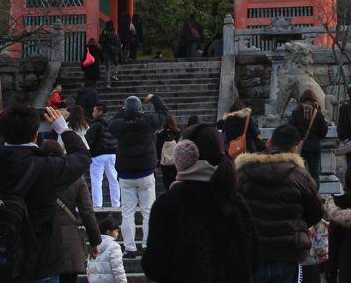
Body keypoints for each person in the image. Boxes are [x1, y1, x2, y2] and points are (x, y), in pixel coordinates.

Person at [0, 104, 91, 283]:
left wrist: (8, 134)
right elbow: (82, 157)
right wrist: (64, 130)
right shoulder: (47, 167)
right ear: (35, 134)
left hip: (1, 254)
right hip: (42, 257)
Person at [142, 123, 260, 283]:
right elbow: (254, 261)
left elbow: (155, 266)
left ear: (182, 157)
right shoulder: (235, 201)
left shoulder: (168, 203)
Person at [236, 124, 322, 283]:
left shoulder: (243, 173)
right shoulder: (300, 176)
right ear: (295, 149)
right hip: (288, 251)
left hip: (253, 252)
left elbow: (233, 210)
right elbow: (316, 211)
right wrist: (296, 224)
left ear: (269, 143)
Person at [110, 94, 168, 256]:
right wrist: (156, 99)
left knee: (127, 212)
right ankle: (147, 245)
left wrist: (124, 111)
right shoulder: (147, 122)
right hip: (146, 172)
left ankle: (129, 248)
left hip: (126, 173)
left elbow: (111, 123)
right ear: (140, 110)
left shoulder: (119, 125)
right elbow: (164, 114)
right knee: (148, 211)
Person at [39, 141, 101, 283]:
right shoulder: (75, 177)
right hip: (69, 241)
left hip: (43, 238)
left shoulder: (35, 173)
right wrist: (94, 241)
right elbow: (87, 212)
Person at [287, 89, 329, 180]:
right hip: (314, 147)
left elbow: (290, 129)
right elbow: (324, 131)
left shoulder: (296, 112)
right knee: (314, 174)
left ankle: (302, 192)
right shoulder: (318, 113)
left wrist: (297, 140)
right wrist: (316, 138)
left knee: (299, 172)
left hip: (300, 147)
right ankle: (314, 192)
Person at [85, 103, 119, 208]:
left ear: (100, 112)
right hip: (112, 153)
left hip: (98, 154)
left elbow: (89, 139)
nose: (92, 112)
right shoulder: (113, 123)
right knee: (114, 180)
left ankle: (98, 204)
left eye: (94, 110)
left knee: (96, 180)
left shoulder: (96, 124)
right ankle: (116, 204)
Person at [88, 219, 128, 283]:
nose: (117, 234)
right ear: (108, 232)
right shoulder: (114, 246)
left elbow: (89, 267)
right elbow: (118, 269)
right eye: (116, 231)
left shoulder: (94, 245)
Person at [156, 115, 182, 192]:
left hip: (165, 162)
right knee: (175, 180)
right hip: (176, 162)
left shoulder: (161, 134)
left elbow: (158, 148)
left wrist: (157, 164)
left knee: (166, 180)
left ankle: (168, 194)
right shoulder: (178, 133)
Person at [100, 21, 122, 87]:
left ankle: (108, 83)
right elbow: (119, 47)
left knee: (107, 70)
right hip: (114, 54)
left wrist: (102, 56)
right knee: (117, 64)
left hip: (107, 55)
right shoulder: (116, 37)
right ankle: (115, 74)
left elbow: (102, 46)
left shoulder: (105, 37)